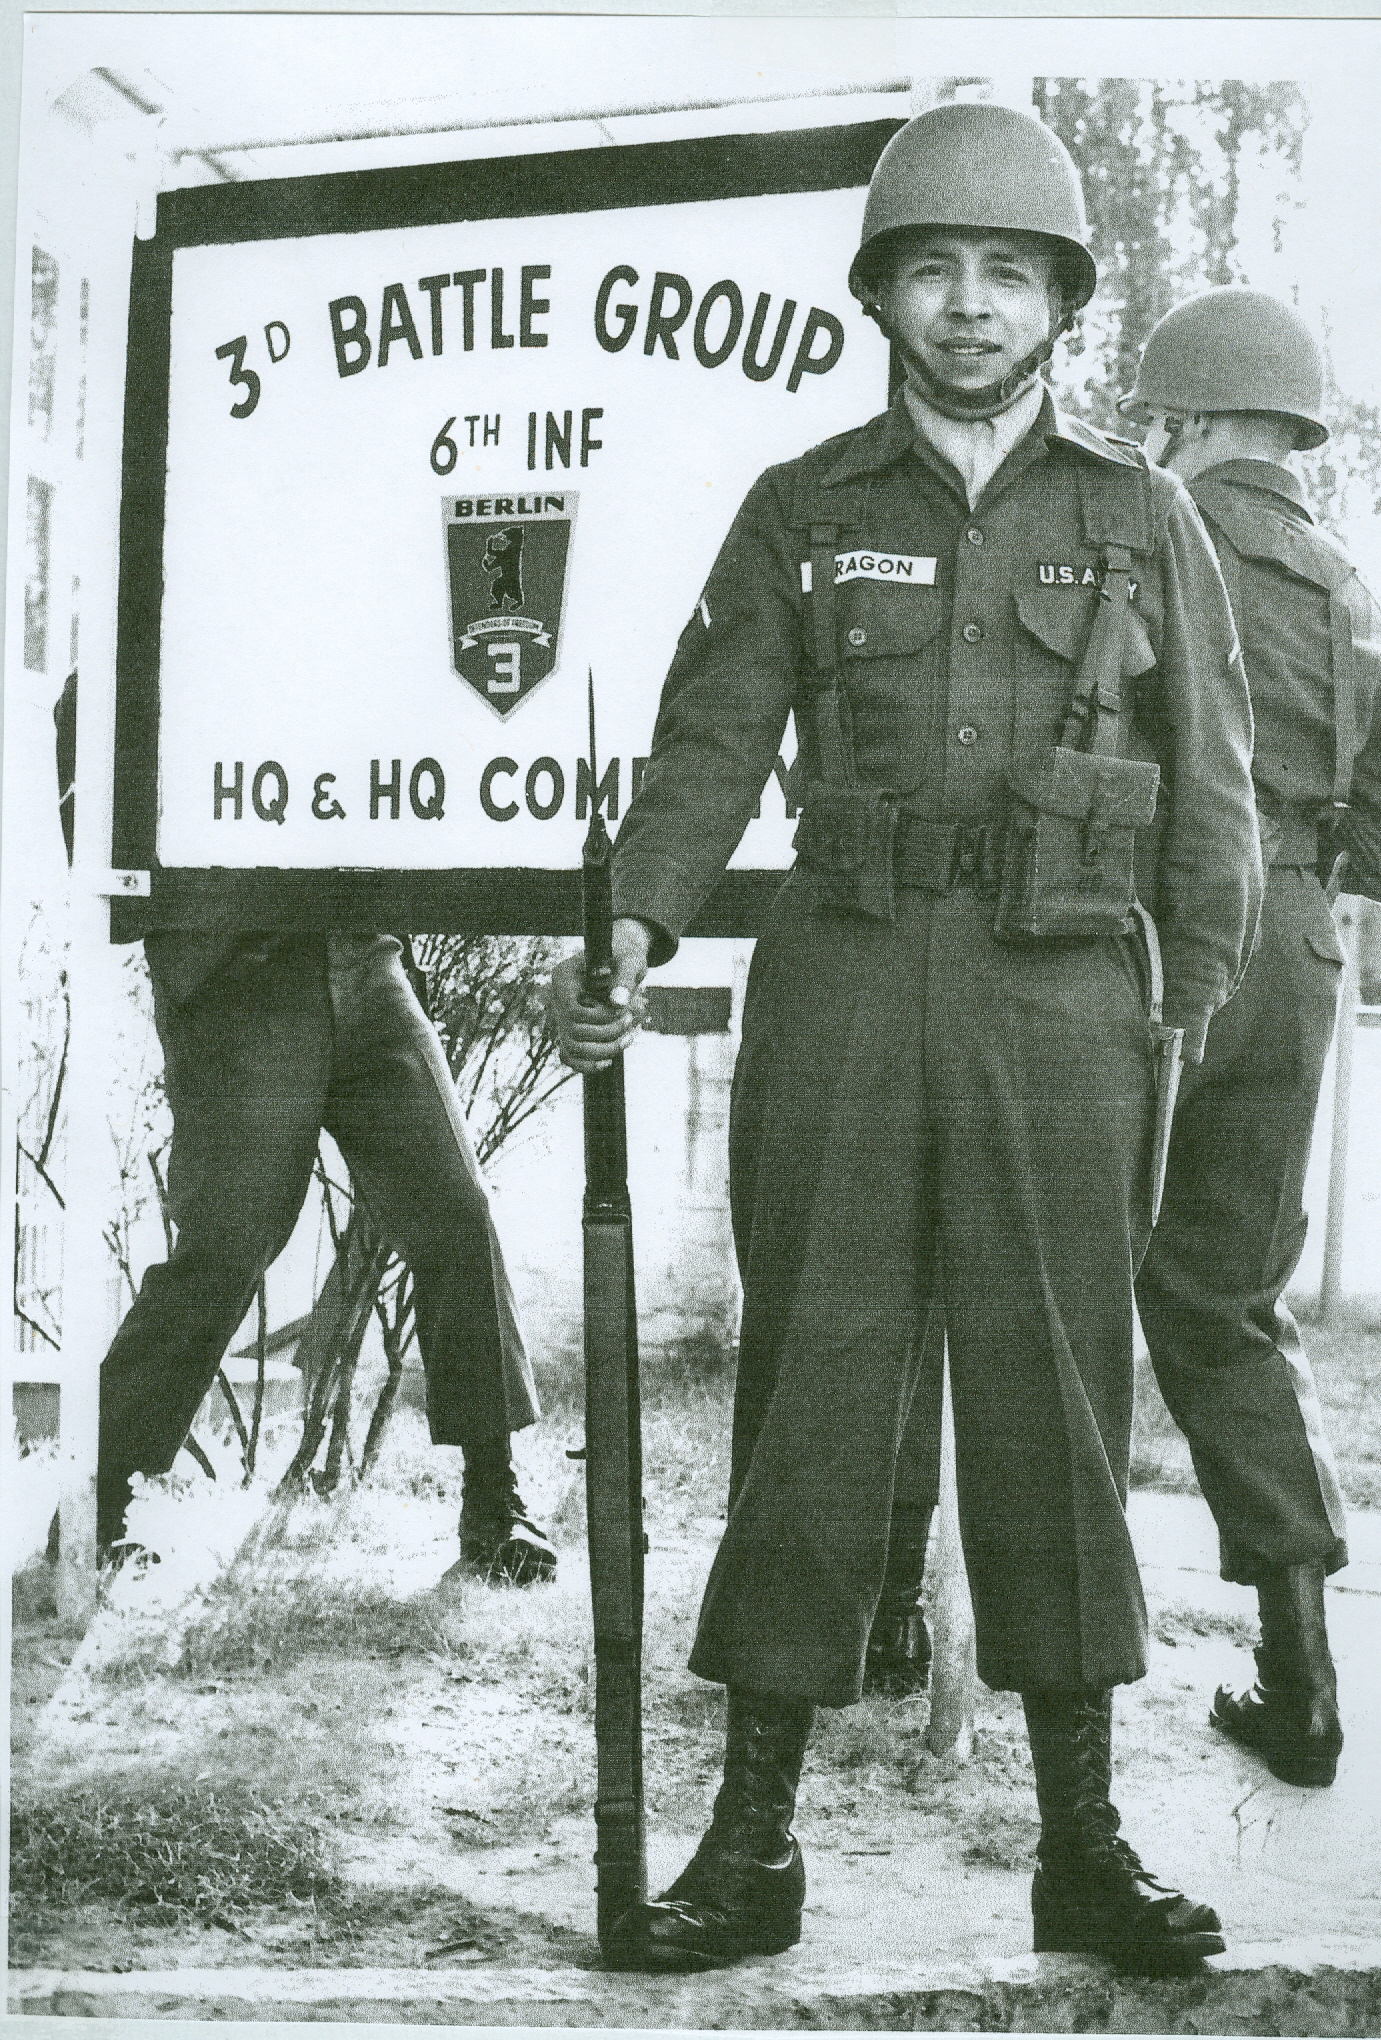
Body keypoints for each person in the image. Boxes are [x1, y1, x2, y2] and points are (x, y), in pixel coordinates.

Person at [552, 102, 1262, 1976]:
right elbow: (712, 738)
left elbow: (1214, 793)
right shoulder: (805, 507)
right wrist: (635, 913)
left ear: (1061, 305)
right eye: (934, 269)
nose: (969, 305)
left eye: (1009, 274)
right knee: (813, 1398)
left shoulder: (1145, 517)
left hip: (1064, 1009)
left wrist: (1180, 1006)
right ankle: (752, 1847)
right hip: (848, 986)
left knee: (1057, 1407)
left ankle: (1083, 1848)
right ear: (879, 293)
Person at [1115, 287, 1381, 1784]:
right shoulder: (1357, 592)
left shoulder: (1147, 534)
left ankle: (955, 1648)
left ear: (1184, 419)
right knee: (1229, 1300)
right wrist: (1300, 863)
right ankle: (1300, 1678)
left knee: (1046, 1271)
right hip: (1296, 955)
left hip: (1142, 945)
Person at [55, 679, 557, 1587]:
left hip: (359, 953)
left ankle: (496, 1504)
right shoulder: (185, 601)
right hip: (239, 966)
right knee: (228, 1248)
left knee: (455, 1208)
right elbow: (87, 718)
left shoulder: (339, 600)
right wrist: (170, 908)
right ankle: (99, 1500)